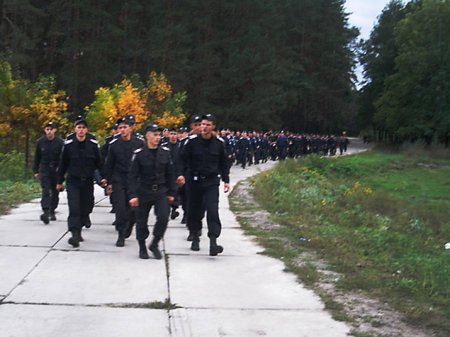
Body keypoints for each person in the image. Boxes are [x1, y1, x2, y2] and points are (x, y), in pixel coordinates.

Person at [177, 114, 230, 256]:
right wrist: (180, 174)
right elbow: (182, 159)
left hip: (211, 181)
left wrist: (226, 180)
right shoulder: (192, 142)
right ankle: (195, 235)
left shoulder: (219, 143)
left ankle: (213, 241)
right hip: (194, 181)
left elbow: (224, 163)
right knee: (194, 211)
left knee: (212, 210)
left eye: (207, 125)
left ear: (213, 126)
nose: (204, 127)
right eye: (202, 124)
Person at [128, 123, 176, 260]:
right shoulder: (139, 154)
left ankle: (154, 243)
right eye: (154, 135)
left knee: (163, 217)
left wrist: (172, 193)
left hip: (160, 190)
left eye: (159, 135)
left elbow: (170, 174)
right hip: (143, 191)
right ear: (147, 136)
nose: (157, 137)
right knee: (141, 220)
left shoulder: (165, 153)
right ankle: (142, 246)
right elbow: (132, 177)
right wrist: (133, 195)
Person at [57, 116, 103, 247]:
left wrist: (105, 178)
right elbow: (63, 164)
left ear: (86, 130)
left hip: (88, 181)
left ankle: (83, 220)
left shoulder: (93, 144)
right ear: (75, 129)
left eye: (83, 128)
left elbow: (100, 163)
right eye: (79, 127)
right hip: (73, 181)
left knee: (87, 206)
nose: (81, 130)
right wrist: (59, 181)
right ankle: (75, 234)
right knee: (74, 207)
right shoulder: (69, 145)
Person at [102, 117, 144, 247]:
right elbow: (110, 164)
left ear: (131, 128)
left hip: (134, 180)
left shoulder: (139, 143)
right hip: (118, 179)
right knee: (120, 208)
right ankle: (121, 233)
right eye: (120, 128)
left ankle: (130, 224)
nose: (122, 130)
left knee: (133, 209)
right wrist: (107, 181)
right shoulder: (114, 145)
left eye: (125, 127)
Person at [33, 122, 64, 224]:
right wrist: (36, 170)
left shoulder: (60, 142)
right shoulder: (40, 142)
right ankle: (45, 211)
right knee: (45, 190)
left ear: (54, 130)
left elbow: (63, 158)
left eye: (51, 129)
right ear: (45, 130)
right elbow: (37, 157)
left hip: (55, 169)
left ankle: (52, 210)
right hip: (44, 168)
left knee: (55, 191)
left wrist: (61, 171)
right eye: (47, 129)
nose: (49, 131)